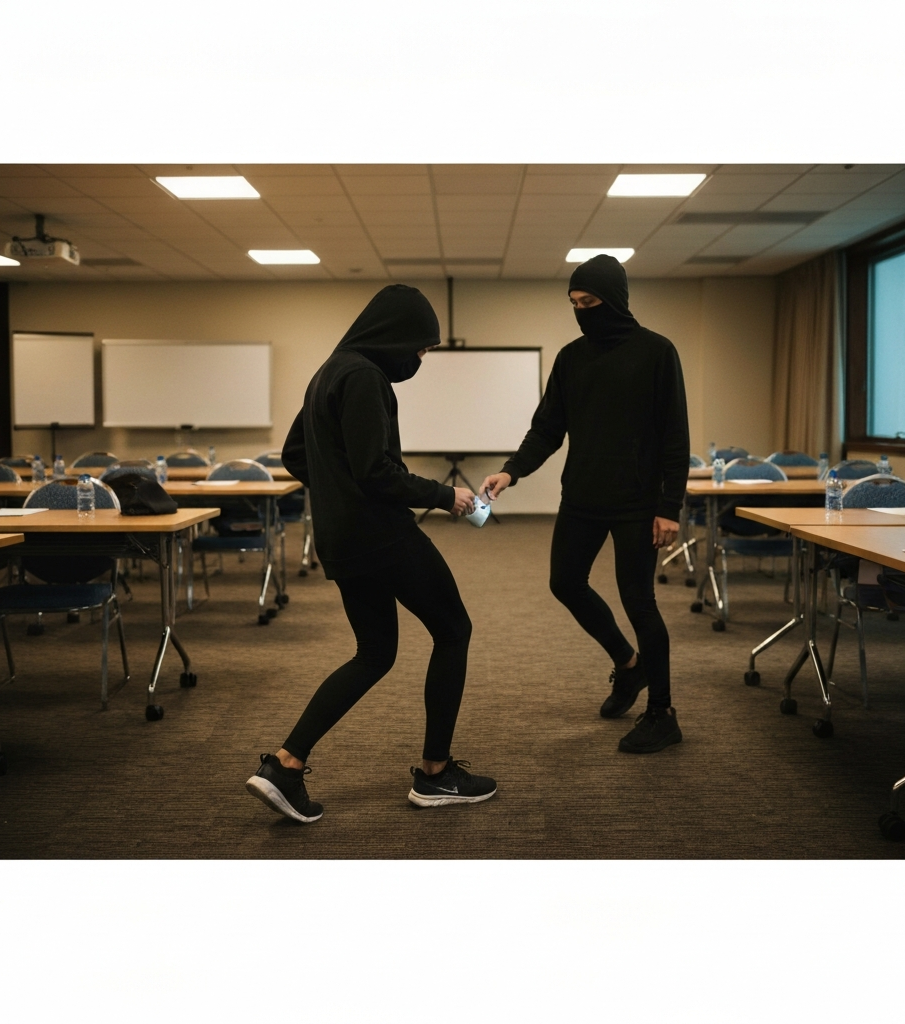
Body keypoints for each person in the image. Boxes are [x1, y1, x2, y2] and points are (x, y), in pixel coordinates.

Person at [246, 284, 497, 823]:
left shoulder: (329, 372)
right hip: (383, 536)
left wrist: (337, 492)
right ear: (396, 336)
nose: (421, 358)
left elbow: (295, 453)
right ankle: (436, 775)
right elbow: (377, 473)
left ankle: (285, 766)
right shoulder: (365, 377)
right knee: (454, 630)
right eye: (421, 348)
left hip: (344, 539)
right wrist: (445, 495)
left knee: (375, 653)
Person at [479, 254, 690, 754]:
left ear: (613, 301)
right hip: (582, 497)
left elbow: (674, 437)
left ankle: (662, 714)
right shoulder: (572, 358)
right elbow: (548, 427)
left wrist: (670, 506)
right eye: (574, 304)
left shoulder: (657, 352)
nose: (582, 311)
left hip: (639, 504)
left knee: (639, 601)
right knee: (564, 583)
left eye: (590, 302)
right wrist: (511, 470)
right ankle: (628, 664)